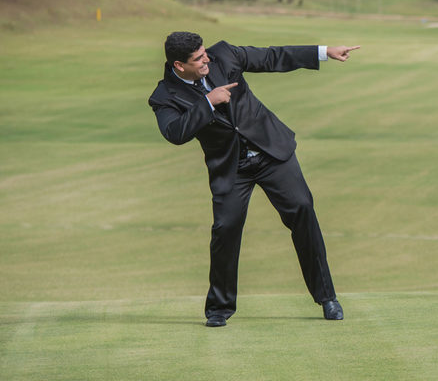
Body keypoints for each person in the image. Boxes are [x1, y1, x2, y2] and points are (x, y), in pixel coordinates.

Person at [148, 31, 360, 326]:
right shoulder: (164, 97)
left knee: (302, 209)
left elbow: (272, 56)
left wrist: (324, 52)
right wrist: (207, 102)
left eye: (204, 52)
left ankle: (327, 298)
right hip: (231, 169)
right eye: (198, 58)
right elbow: (175, 133)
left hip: (272, 152)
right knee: (225, 230)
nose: (206, 58)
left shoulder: (224, 54)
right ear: (179, 66)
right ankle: (219, 310)